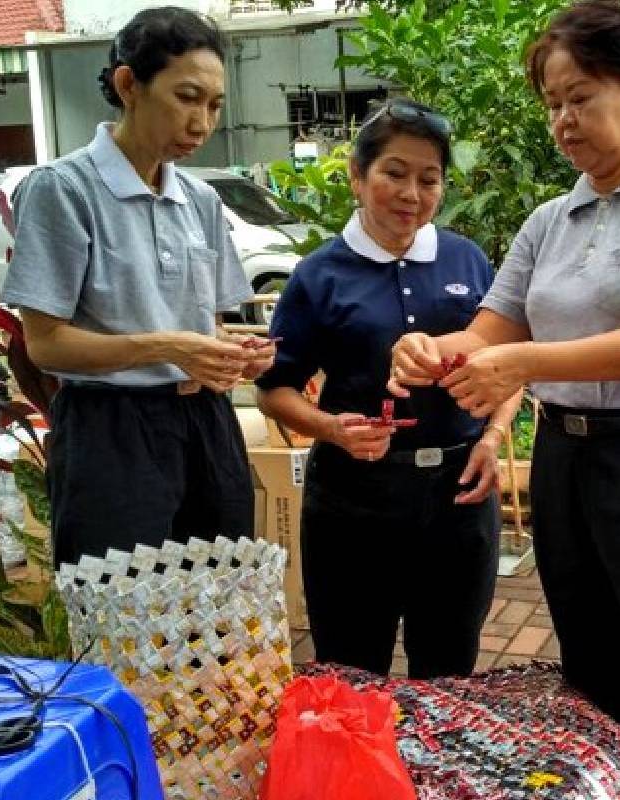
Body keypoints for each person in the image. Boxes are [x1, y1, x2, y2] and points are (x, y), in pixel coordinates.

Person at [388, 2, 620, 796]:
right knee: (595, 675)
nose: (563, 119)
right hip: (568, 460)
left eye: (580, 95)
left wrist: (520, 359)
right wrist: (428, 350)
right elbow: (490, 327)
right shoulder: (551, 220)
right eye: (553, 102)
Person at [0, 7, 274, 567]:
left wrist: (233, 354)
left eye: (215, 104)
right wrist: (170, 346)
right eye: (187, 97)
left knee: (218, 606)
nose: (202, 121)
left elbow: (208, 325)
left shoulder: (200, 201)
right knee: (119, 610)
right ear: (129, 85)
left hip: (205, 426)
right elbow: (45, 344)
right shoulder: (63, 191)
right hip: (110, 429)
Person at [255, 100, 520, 679]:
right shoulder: (319, 275)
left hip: (459, 497)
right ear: (357, 174)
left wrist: (493, 436)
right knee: (351, 671)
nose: (412, 193)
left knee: (450, 669)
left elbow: (507, 365)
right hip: (353, 501)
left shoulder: (466, 259)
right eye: (394, 173)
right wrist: (329, 428)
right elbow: (274, 389)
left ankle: (434, 773)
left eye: (429, 180)